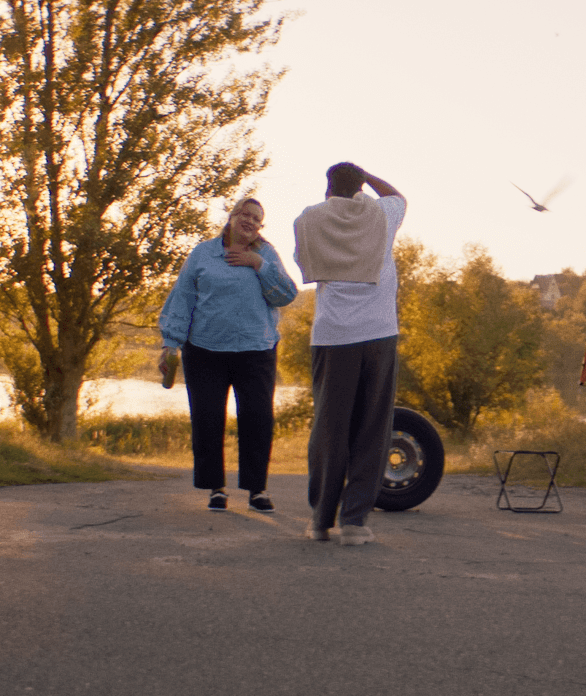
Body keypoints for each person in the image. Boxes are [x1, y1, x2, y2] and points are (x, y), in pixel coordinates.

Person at [158, 197, 298, 514]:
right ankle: (215, 488)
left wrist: (256, 264)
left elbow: (287, 294)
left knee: (257, 419)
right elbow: (182, 297)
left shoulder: (266, 253)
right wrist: (171, 343)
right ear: (232, 217)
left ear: (260, 227)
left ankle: (257, 490)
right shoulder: (203, 253)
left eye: (257, 219)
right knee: (208, 418)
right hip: (205, 350)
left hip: (256, 350)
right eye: (244, 215)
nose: (250, 221)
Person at [292, 163, 405, 546]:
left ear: (327, 190)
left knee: (329, 427)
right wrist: (369, 176)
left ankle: (320, 521)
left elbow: (302, 258)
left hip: (332, 333)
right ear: (360, 189)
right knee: (371, 427)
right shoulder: (380, 214)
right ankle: (354, 522)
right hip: (378, 332)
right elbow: (397, 196)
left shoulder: (309, 219)